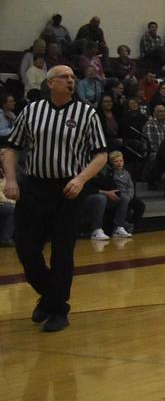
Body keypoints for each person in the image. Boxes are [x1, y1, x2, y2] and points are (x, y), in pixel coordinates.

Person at [0, 65, 109, 333]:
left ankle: (58, 309)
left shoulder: (86, 113)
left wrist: (81, 179)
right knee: (25, 247)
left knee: (62, 251)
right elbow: (11, 148)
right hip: (35, 187)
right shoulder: (32, 111)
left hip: (68, 189)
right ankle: (52, 297)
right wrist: (11, 179)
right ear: (50, 83)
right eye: (65, 77)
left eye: (73, 77)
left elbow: (101, 155)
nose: (71, 81)